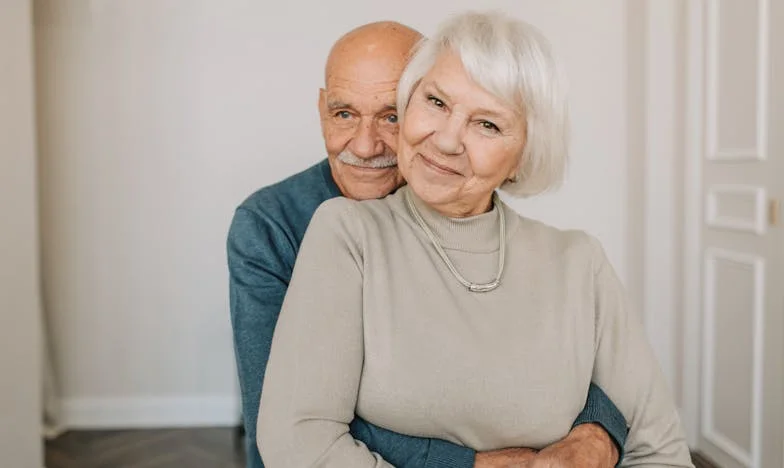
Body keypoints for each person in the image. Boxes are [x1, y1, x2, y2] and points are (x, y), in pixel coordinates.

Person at [255, 10, 695, 468]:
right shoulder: (347, 234)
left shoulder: (579, 262)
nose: (445, 140)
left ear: (524, 156)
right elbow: (299, 442)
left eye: (487, 124)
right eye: (437, 102)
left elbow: (660, 451)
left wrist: (600, 439)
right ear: (408, 103)